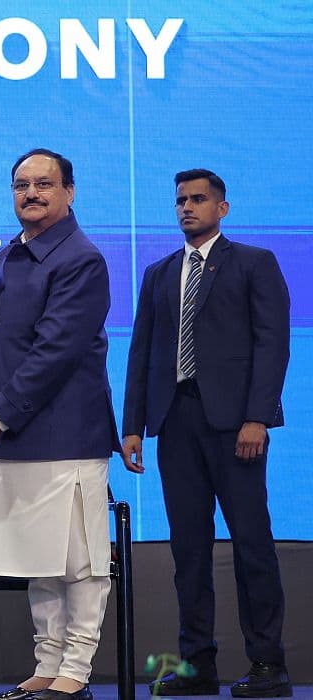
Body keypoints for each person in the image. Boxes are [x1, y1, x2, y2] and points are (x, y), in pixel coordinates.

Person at [0, 149, 121, 700]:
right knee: (38, 558)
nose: (32, 193)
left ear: (69, 191)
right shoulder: (7, 256)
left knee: (79, 559)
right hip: (15, 437)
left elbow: (55, 351)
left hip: (63, 435)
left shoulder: (81, 259)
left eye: (44, 184)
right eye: (21, 184)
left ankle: (77, 667)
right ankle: (48, 665)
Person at [122, 169, 291, 697]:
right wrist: (131, 426)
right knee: (188, 552)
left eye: (198, 200)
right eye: (180, 201)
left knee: (251, 547)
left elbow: (272, 343)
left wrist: (258, 416)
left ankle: (268, 666)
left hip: (236, 424)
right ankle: (198, 666)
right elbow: (142, 353)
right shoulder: (159, 273)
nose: (186, 208)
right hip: (176, 423)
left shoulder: (253, 263)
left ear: (223, 208)